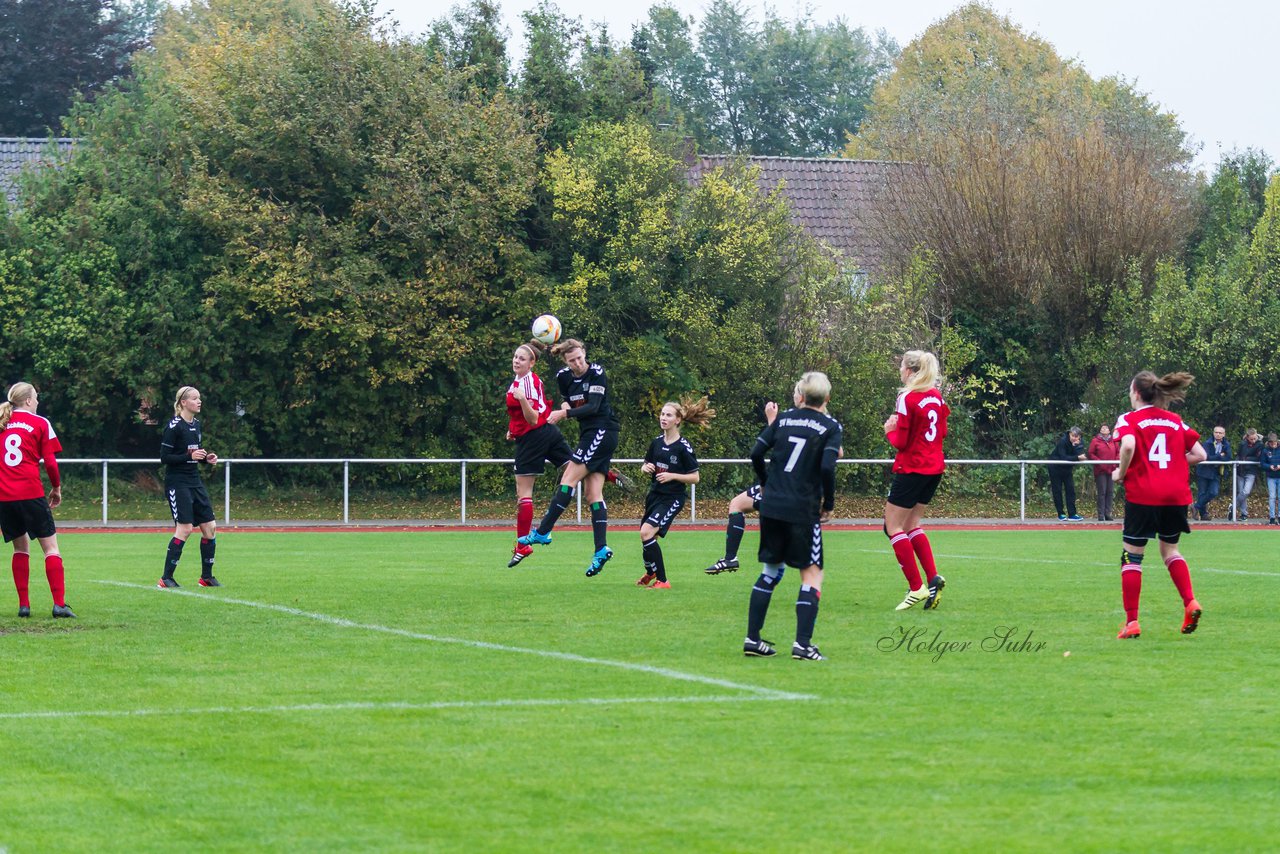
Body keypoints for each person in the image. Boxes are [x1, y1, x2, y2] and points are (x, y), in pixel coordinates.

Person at [742, 372, 842, 661]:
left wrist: (765, 482)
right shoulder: (830, 426)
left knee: (770, 571)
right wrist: (829, 502)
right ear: (826, 399)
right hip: (802, 508)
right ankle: (802, 644)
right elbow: (826, 468)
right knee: (812, 574)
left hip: (772, 505)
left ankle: (752, 638)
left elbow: (756, 453)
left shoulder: (784, 418)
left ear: (802, 395)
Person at [1111, 370, 1205, 639]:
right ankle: (1190, 602)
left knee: (1132, 556)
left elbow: (1127, 445)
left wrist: (1120, 472)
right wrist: (1174, 463)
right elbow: (1200, 454)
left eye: (1130, 391)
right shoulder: (1175, 421)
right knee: (1170, 551)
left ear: (1137, 393)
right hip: (1175, 496)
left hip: (1143, 495)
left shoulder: (1129, 419)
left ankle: (1132, 622)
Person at [518, 338, 622, 577]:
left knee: (568, 478)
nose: (577, 363)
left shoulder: (596, 373)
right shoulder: (564, 376)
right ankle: (601, 549)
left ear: (585, 354)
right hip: (589, 433)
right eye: (572, 360)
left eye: (580, 358)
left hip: (603, 430)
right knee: (592, 494)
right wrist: (564, 407)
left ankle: (543, 531)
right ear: (565, 361)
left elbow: (594, 407)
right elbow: (567, 398)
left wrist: (564, 413)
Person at [883, 350, 951, 611]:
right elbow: (942, 430)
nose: (900, 370)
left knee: (892, 526)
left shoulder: (907, 397)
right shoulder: (936, 396)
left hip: (913, 467)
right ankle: (933, 578)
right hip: (934, 467)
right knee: (912, 523)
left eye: (901, 366)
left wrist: (890, 431)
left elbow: (901, 442)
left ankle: (916, 587)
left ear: (910, 371)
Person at [0, 382, 75, 618]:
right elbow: (50, 462)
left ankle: (24, 605)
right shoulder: (40, 422)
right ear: (29, 401)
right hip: (30, 493)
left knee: (20, 549)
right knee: (51, 549)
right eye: (37, 398)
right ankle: (59, 605)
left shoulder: (2, 422)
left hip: (5, 496)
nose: (38, 402)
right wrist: (56, 488)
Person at [505, 340, 575, 567]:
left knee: (524, 494)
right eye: (515, 357)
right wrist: (512, 428)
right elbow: (528, 415)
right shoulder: (527, 380)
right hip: (547, 432)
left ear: (532, 363)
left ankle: (523, 545)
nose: (517, 360)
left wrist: (522, 400)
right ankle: (611, 475)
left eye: (522, 358)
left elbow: (533, 417)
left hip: (533, 437)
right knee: (576, 467)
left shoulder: (525, 385)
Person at [636, 397, 714, 589]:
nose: (663, 418)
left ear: (677, 420)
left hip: (672, 499)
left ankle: (663, 580)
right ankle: (650, 572)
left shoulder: (683, 448)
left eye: (668, 415)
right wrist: (645, 468)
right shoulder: (656, 443)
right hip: (655, 495)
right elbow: (646, 465)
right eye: (662, 414)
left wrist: (672, 475)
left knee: (646, 533)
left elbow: (695, 477)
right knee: (647, 537)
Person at [704, 401, 778, 576]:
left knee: (778, 563)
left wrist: (772, 419)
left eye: (797, 393)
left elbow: (766, 449)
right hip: (783, 484)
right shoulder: (813, 421)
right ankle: (730, 559)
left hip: (782, 486)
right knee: (736, 504)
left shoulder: (798, 419)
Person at [159, 386, 220, 589]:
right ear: (183, 402)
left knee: (210, 528)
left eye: (199, 398)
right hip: (178, 484)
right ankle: (166, 578)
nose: (199, 401)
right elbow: (165, 458)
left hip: (195, 482)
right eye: (195, 398)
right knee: (184, 529)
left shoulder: (196, 425)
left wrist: (206, 459)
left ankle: (206, 577)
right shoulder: (174, 427)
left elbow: (195, 455)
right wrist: (188, 457)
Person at [1192, 426, 1231, 521]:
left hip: (1215, 472)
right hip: (1204, 471)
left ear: (1224, 434)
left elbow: (1228, 457)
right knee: (1202, 493)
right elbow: (1206, 457)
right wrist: (1219, 456)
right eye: (1216, 432)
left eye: (1220, 433)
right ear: (1213, 433)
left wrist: (1217, 457)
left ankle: (1196, 506)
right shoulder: (1207, 443)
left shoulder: (1226, 444)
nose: (1218, 434)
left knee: (1213, 492)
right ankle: (1204, 514)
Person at [1048, 427, 1087, 521]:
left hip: (1067, 469)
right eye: (1072, 435)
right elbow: (1063, 457)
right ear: (1069, 434)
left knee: (1070, 490)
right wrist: (1077, 458)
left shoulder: (1080, 442)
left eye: (1076, 436)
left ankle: (1072, 514)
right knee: (1057, 490)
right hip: (1055, 467)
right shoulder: (1062, 441)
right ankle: (1060, 513)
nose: (1074, 438)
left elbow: (1081, 456)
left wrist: (1076, 447)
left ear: (1079, 436)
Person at [1088, 423, 1120, 521]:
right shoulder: (1095, 441)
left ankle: (1108, 513)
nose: (1105, 429)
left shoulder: (1113, 441)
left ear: (1109, 430)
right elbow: (1090, 453)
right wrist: (1099, 462)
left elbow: (1118, 452)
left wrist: (1115, 463)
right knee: (1102, 492)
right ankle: (1101, 514)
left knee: (1110, 492)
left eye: (1106, 427)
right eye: (1103, 428)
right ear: (1100, 430)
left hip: (1111, 470)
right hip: (1100, 470)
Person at [1230, 428, 1262, 521]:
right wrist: (1237, 462)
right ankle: (1244, 514)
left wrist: (1247, 459)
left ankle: (1233, 506)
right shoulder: (1242, 444)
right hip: (1240, 471)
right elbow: (1239, 455)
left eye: (1255, 438)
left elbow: (1259, 458)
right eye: (1251, 439)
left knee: (1246, 492)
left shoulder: (1259, 445)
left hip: (1251, 471)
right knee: (1241, 493)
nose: (1253, 440)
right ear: (1247, 437)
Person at [1260, 433, 1280, 524]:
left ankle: (1279, 516)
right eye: (1271, 443)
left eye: (1274, 442)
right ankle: (1272, 517)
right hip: (1271, 476)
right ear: (1268, 442)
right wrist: (1269, 467)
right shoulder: (1265, 451)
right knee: (1272, 497)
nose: (1273, 444)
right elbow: (1262, 463)